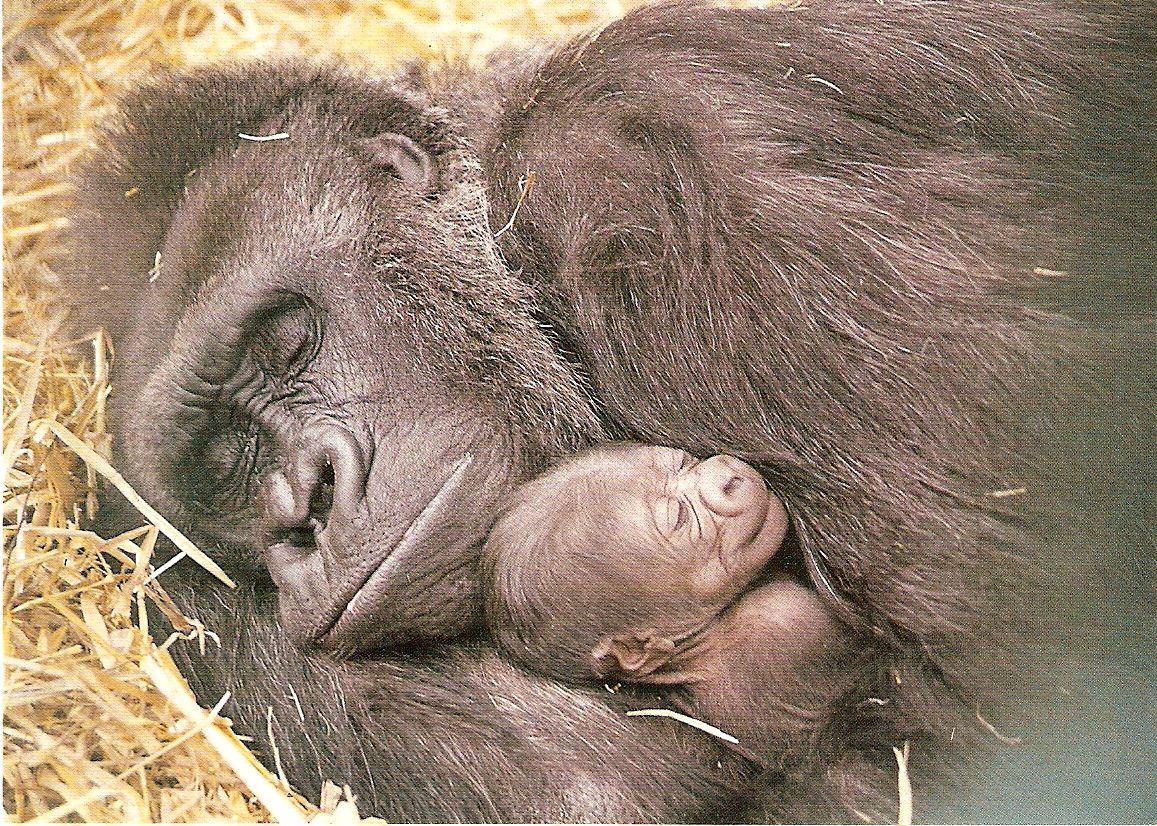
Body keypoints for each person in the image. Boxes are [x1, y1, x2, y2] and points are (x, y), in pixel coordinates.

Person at [483, 443, 863, 765]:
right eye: (679, 516)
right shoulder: (778, 626)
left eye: (684, 463)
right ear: (637, 649)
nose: (722, 474)